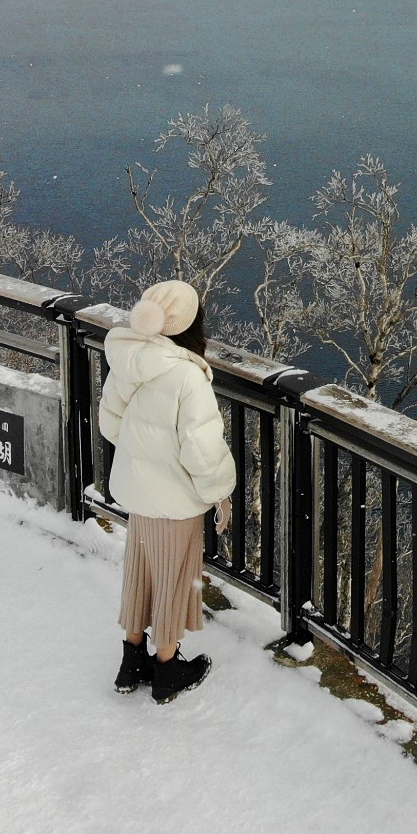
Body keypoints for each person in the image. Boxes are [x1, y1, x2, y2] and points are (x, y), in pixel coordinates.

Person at [97, 279, 237, 702]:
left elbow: (111, 424)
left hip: (138, 492)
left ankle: (130, 662)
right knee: (174, 579)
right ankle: (166, 670)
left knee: (140, 573)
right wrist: (221, 494)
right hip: (175, 501)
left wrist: (145, 453)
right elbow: (202, 450)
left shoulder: (131, 358)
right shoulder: (186, 377)